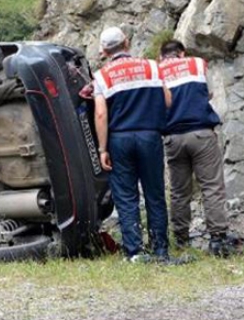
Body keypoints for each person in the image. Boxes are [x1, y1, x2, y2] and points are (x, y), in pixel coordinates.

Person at [88, 27, 173, 262]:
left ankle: (134, 252)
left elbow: (101, 115)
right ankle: (160, 250)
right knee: (155, 194)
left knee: (126, 196)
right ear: (127, 43)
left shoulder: (102, 76)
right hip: (149, 136)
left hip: (120, 140)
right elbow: (167, 99)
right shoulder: (152, 67)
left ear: (104, 51)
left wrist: (103, 149)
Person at [158, 40, 235, 257]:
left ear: (162, 55)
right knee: (211, 187)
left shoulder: (158, 71)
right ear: (181, 53)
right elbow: (209, 94)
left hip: (172, 137)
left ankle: (181, 239)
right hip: (201, 133)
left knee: (179, 191)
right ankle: (218, 239)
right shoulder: (198, 64)